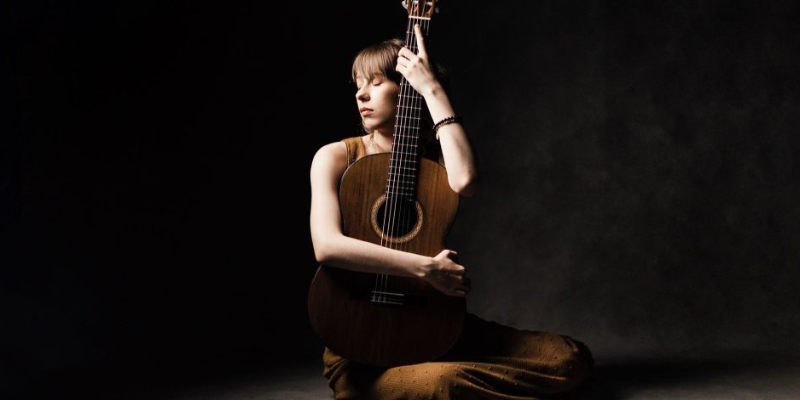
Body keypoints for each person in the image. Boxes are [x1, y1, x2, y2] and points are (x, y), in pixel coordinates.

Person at [309, 23, 594, 399]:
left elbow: (466, 182)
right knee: (442, 385)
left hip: (428, 321)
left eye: (377, 82)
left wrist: (431, 89)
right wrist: (426, 268)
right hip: (357, 339)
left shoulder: (434, 158)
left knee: (568, 357)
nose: (362, 92)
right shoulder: (336, 157)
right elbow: (327, 246)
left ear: (407, 85)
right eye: (358, 83)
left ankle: (429, 381)